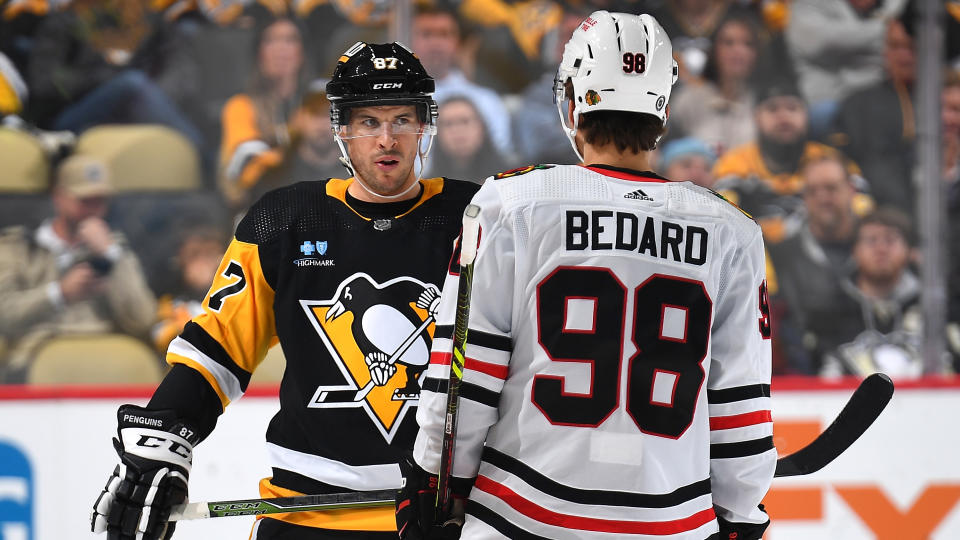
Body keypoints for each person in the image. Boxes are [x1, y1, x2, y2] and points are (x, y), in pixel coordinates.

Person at [397, 11, 774, 540]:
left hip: (522, 516)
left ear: (573, 101)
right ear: (662, 110)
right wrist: (743, 514)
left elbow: (465, 379)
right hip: (672, 522)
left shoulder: (511, 204)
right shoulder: (731, 231)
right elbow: (740, 403)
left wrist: (438, 489)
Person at [89, 41, 480, 539]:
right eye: (368, 122)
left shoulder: (478, 216)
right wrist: (163, 441)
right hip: (306, 512)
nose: (387, 139)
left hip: (444, 516)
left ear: (424, 124)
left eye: (402, 119)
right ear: (341, 129)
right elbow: (216, 351)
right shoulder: (284, 221)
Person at [0, 154, 157, 382]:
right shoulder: (19, 248)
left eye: (100, 201)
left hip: (105, 359)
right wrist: (59, 294)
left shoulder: (115, 249)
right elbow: (4, 315)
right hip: (33, 362)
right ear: (59, 197)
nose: (94, 209)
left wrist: (111, 256)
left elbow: (143, 319)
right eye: (85, 200)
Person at [767, 151, 863, 374]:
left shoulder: (879, 245)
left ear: (852, 190)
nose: (822, 198)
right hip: (807, 374)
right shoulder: (781, 255)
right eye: (812, 191)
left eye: (831, 188)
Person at [218, 14, 308, 209]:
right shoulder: (241, 107)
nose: (280, 50)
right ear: (259, 52)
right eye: (270, 40)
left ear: (302, 52)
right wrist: (296, 135)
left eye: (290, 40)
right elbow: (245, 171)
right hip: (261, 210)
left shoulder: (317, 104)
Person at [423, 96, 509, 183]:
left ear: (481, 127)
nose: (457, 130)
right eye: (448, 124)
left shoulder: (510, 180)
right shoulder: (427, 189)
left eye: (465, 121)